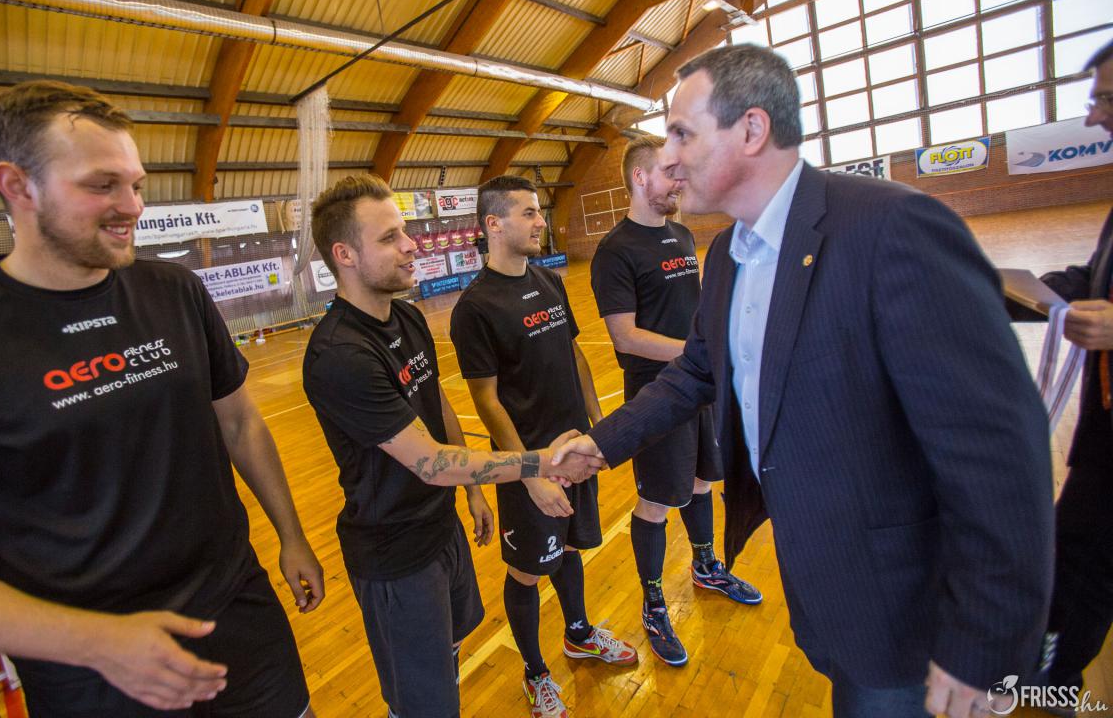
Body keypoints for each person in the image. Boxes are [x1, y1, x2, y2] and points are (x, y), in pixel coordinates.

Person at [553, 45, 1054, 718]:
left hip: (904, 613)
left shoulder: (891, 226)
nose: (668, 158)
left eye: (682, 134)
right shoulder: (729, 254)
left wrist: (985, 650)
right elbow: (697, 370)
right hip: (825, 587)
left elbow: (999, 451)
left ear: (752, 130)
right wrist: (601, 442)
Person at [0, 81, 325, 717]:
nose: (131, 206)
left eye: (136, 184)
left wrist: (291, 535)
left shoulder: (174, 291)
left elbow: (240, 423)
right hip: (87, 672)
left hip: (236, 616)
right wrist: (86, 647)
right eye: (102, 185)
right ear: (17, 185)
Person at [301, 174, 599, 718]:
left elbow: (438, 408)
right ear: (344, 255)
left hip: (442, 529)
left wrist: (474, 495)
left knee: (451, 656)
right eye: (390, 237)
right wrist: (536, 464)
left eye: (404, 231)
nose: (411, 245)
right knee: (424, 700)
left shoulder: (407, 317)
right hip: (395, 556)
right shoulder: (341, 355)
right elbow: (431, 462)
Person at [449, 176, 637, 718]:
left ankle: (579, 635)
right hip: (528, 466)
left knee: (571, 548)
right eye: (529, 213)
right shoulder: (475, 308)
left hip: (577, 453)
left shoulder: (549, 281)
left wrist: (600, 426)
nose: (540, 222)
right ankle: (535, 673)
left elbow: (574, 355)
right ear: (494, 224)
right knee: (529, 571)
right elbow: (486, 401)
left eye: (539, 212)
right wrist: (528, 472)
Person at [590, 135, 761, 668]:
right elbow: (625, 338)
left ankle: (706, 567)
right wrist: (699, 352)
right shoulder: (615, 250)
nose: (680, 182)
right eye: (670, 173)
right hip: (658, 395)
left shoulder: (683, 234)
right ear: (640, 177)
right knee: (658, 501)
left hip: (701, 384)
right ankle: (653, 602)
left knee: (704, 480)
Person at [1040, 39, 1113, 708]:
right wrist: (1009, 289)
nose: (1093, 117)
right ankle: (1048, 657)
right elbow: (1093, 278)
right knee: (1071, 543)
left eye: (1105, 100)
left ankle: (1059, 683)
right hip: (1102, 431)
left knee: (1092, 566)